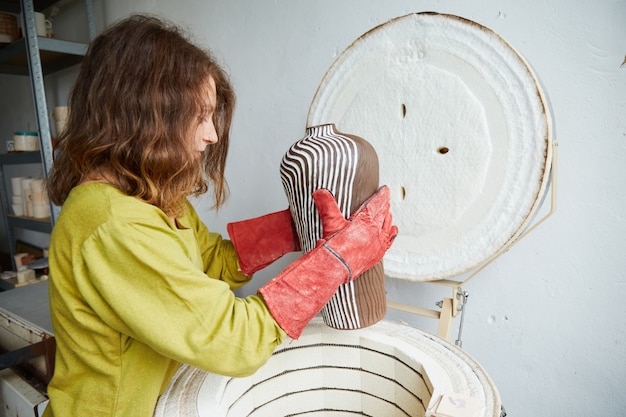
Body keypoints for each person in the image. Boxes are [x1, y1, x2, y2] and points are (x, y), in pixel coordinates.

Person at [43, 14, 397, 417]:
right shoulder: (111, 224)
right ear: (146, 113)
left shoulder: (149, 194)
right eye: (200, 116)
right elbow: (232, 340)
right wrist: (335, 261)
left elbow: (212, 262)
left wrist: (301, 225)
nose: (211, 135)